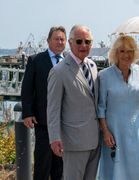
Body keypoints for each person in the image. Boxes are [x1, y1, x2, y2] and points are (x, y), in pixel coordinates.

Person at [97, 35, 139, 180]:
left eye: (130, 51)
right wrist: (105, 132)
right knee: (117, 172)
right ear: (115, 53)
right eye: (122, 51)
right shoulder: (104, 76)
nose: (127, 55)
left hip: (138, 131)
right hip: (114, 133)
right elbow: (100, 108)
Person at [47, 25, 100, 180]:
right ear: (70, 43)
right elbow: (53, 108)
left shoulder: (92, 66)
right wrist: (54, 138)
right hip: (73, 141)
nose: (83, 45)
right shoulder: (59, 71)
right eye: (79, 41)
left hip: (94, 140)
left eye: (87, 41)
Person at [21, 26, 66, 180]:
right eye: (56, 38)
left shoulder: (69, 62)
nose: (60, 42)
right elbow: (27, 88)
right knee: (42, 165)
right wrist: (27, 113)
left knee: (60, 168)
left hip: (64, 124)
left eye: (62, 39)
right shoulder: (36, 60)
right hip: (43, 122)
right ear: (48, 41)